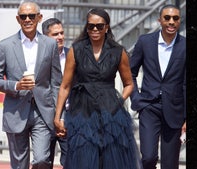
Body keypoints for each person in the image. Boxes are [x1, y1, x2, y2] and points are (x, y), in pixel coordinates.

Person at [54, 8, 142, 169]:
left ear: (107, 27)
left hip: (111, 111)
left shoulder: (118, 52)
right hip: (82, 111)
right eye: (91, 26)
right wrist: (57, 116)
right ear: (86, 27)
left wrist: (119, 101)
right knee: (84, 158)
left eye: (99, 26)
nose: (95, 29)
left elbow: (129, 84)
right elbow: (65, 86)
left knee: (111, 158)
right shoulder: (76, 50)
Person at [0, 1, 62, 169]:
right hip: (15, 111)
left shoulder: (50, 45)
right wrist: (16, 85)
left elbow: (56, 82)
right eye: (23, 16)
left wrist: (58, 114)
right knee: (19, 165)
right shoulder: (5, 45)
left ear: (39, 17)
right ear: (18, 19)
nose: (27, 19)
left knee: (42, 159)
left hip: (43, 112)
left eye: (31, 16)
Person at [129, 4, 186, 169]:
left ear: (179, 20)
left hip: (175, 109)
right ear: (159, 20)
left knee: (169, 164)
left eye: (175, 18)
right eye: (167, 18)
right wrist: (137, 98)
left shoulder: (185, 45)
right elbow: (130, 73)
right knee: (148, 157)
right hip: (149, 106)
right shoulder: (145, 42)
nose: (171, 22)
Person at [42, 18, 68, 168]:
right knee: (43, 161)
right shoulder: (40, 57)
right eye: (55, 34)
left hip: (69, 118)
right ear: (46, 37)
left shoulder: (72, 55)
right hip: (45, 119)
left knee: (72, 162)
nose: (60, 37)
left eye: (62, 33)